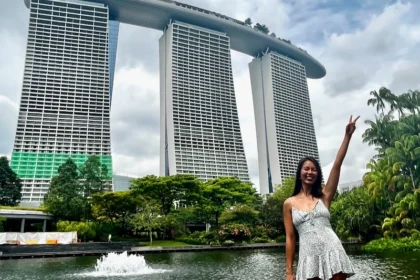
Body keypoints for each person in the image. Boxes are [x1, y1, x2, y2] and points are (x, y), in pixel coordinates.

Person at [283, 115, 359, 280]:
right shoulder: (289, 203)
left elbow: (337, 164)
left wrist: (347, 136)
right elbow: (290, 237)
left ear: (317, 174)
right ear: (300, 173)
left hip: (333, 250)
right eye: (306, 169)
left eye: (314, 170)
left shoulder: (324, 196)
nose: (310, 172)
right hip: (308, 256)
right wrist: (289, 271)